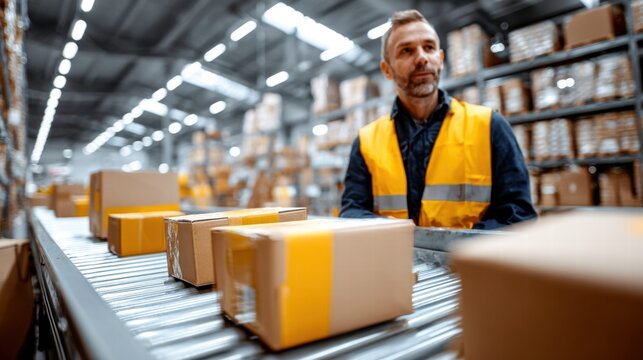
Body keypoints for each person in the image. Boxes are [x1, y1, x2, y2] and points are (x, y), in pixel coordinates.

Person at [339, 9, 537, 229]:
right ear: (386, 69)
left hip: (468, 262)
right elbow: (352, 211)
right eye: (406, 50)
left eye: (429, 48)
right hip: (394, 260)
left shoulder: (490, 125)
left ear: (441, 59)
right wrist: (395, 234)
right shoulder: (367, 140)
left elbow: (518, 214)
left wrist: (458, 247)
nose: (422, 58)